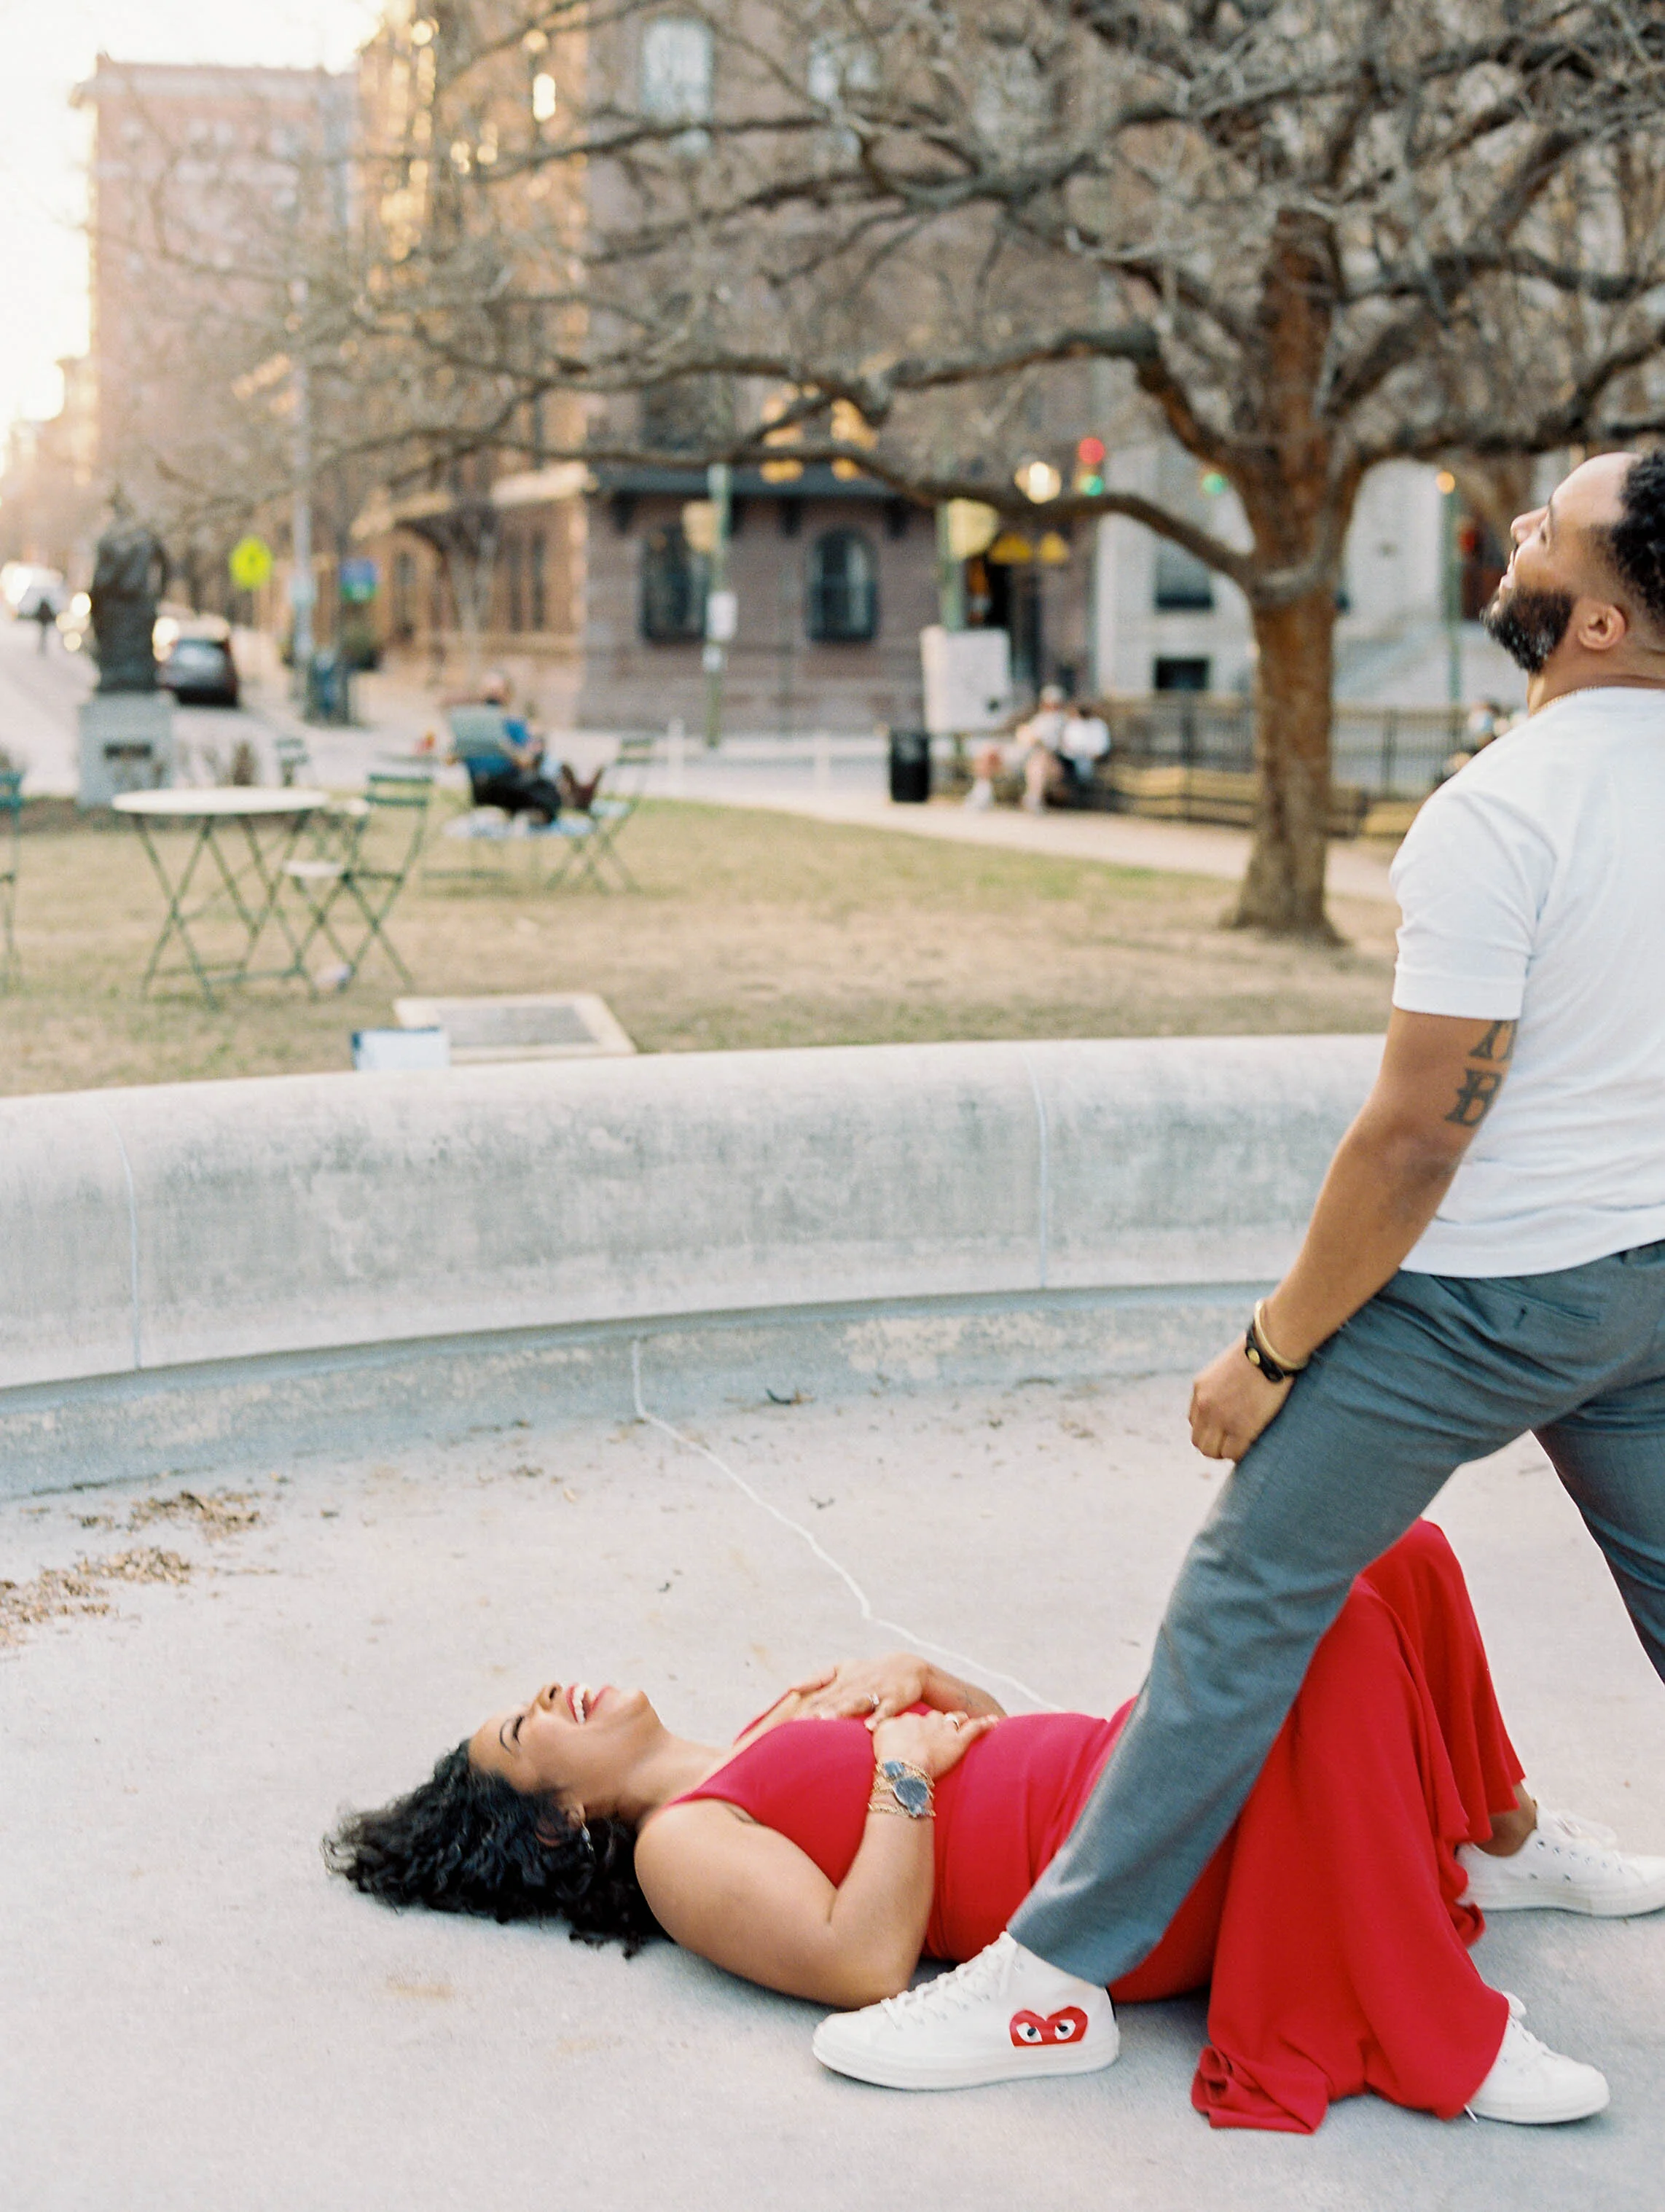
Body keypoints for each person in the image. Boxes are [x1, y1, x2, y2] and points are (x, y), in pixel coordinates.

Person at [832, 448, 1665, 2106]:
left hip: (1478, 1301)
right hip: (1642, 1287)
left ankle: (1048, 1977)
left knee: (1238, 1612)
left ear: (1583, 619)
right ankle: (1492, 1846)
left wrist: (1269, 1352)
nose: (1510, 527)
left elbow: (1414, 1137)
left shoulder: (1499, 813)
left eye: (1544, 524)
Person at [325, 1523, 1665, 2132]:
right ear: (557, 1821)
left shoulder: (756, 1728)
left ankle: (1490, 1833)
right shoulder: (681, 1844)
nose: (550, 1691)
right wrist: (898, 1773)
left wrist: (911, 1683)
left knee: (1393, 1549)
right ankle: (1444, 2032)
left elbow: (984, 1732)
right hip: (1111, 1888)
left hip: (1106, 1781)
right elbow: (862, 1960)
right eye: (525, 1726)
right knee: (1331, 1621)